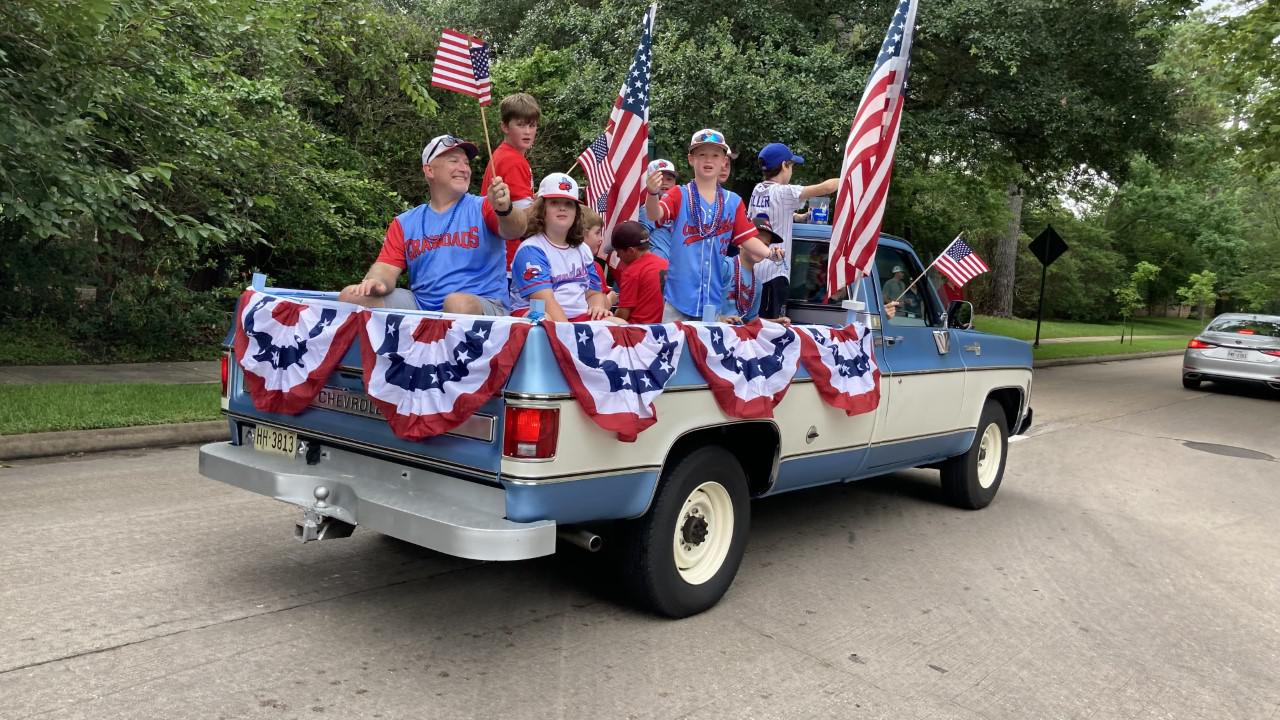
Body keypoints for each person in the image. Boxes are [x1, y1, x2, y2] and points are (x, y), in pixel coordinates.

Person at [339, 135, 525, 314]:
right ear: (429, 170)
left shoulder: (484, 206)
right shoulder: (405, 223)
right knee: (351, 296)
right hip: (422, 306)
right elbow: (386, 267)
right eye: (454, 161)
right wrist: (376, 281)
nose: (464, 168)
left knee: (456, 303)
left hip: (481, 304)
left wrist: (505, 209)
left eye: (466, 163)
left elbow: (516, 229)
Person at [644, 128, 783, 321]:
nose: (708, 160)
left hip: (712, 301)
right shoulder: (679, 194)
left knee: (706, 351)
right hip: (678, 300)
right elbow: (654, 214)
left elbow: (748, 238)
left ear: (724, 161)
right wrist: (651, 194)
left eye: (715, 155)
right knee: (677, 350)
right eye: (702, 154)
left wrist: (770, 254)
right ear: (691, 159)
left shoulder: (732, 201)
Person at [510, 173, 621, 323]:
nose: (562, 208)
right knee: (544, 320)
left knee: (619, 324)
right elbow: (544, 302)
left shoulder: (583, 249)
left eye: (569, 204)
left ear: (576, 212)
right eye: (554, 202)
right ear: (542, 209)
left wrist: (598, 307)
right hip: (534, 312)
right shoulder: (531, 249)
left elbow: (594, 294)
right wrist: (569, 334)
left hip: (576, 318)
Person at [748, 142, 839, 320]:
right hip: (775, 272)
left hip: (754, 271)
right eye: (791, 165)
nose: (792, 171)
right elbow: (826, 188)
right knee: (773, 329)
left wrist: (797, 217)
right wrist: (849, 175)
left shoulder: (757, 191)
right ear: (784, 165)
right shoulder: (784, 192)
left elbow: (764, 216)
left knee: (757, 325)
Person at [480, 93, 541, 268]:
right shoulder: (513, 160)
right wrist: (546, 199)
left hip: (495, 252)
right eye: (520, 125)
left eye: (532, 125)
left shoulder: (502, 155)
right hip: (510, 255)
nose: (528, 131)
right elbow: (523, 219)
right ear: (505, 127)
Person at [720, 216, 783, 324]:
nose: (761, 248)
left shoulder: (758, 285)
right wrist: (720, 319)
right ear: (740, 243)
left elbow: (751, 321)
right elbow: (700, 301)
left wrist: (776, 322)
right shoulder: (724, 266)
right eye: (756, 242)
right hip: (713, 333)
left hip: (735, 338)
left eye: (766, 245)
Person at [612, 221, 669, 324]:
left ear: (631, 251)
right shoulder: (666, 264)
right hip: (663, 330)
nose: (617, 256)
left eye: (618, 252)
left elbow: (623, 315)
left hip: (638, 332)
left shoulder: (631, 272)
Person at [640, 159, 678, 259]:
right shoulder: (646, 209)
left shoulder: (683, 205)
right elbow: (639, 239)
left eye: (669, 179)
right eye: (659, 179)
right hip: (659, 266)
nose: (664, 183)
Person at [579, 206, 617, 306]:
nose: (601, 239)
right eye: (597, 233)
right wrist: (611, 298)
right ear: (581, 234)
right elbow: (601, 308)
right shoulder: (594, 267)